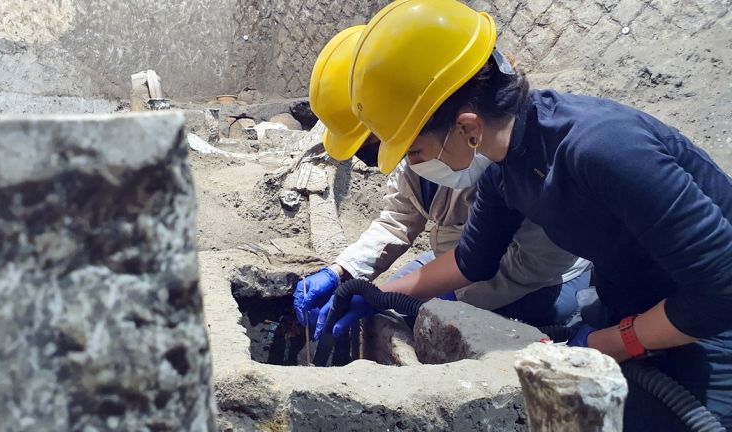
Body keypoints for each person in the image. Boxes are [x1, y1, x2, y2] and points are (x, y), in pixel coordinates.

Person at [333, 0, 732, 429]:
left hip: (708, 323)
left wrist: (610, 343)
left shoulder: (602, 148)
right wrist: (374, 294)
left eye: (415, 150)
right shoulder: (505, 169)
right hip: (635, 299)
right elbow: (472, 262)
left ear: (467, 127)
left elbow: (719, 292)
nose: (415, 164)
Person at [294, 25, 591, 341]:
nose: (397, 160)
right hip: (460, 260)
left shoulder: (520, 161)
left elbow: (533, 264)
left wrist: (444, 297)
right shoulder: (424, 147)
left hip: (542, 280)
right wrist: (344, 270)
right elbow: (398, 220)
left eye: (381, 146)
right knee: (390, 311)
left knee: (427, 328)